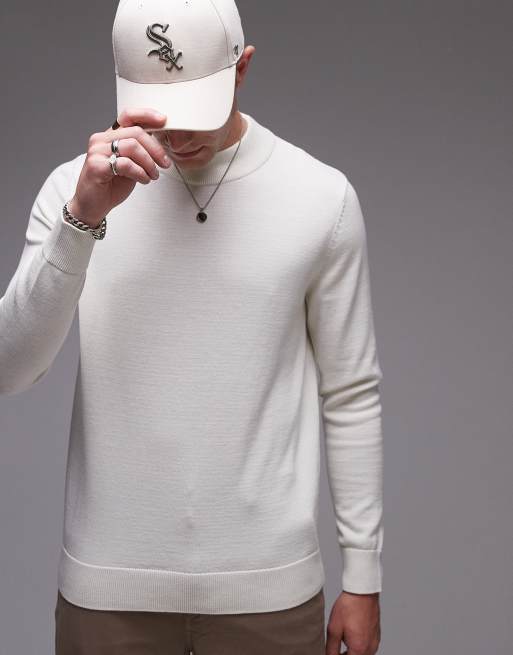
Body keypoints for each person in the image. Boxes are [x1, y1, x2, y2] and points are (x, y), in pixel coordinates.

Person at [0, 0, 384, 653]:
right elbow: (10, 369)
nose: (177, 138)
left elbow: (351, 393)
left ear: (242, 68)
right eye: (156, 111)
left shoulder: (321, 197)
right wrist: (82, 220)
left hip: (270, 596)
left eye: (194, 110)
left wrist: (363, 578)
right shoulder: (72, 192)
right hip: (107, 595)